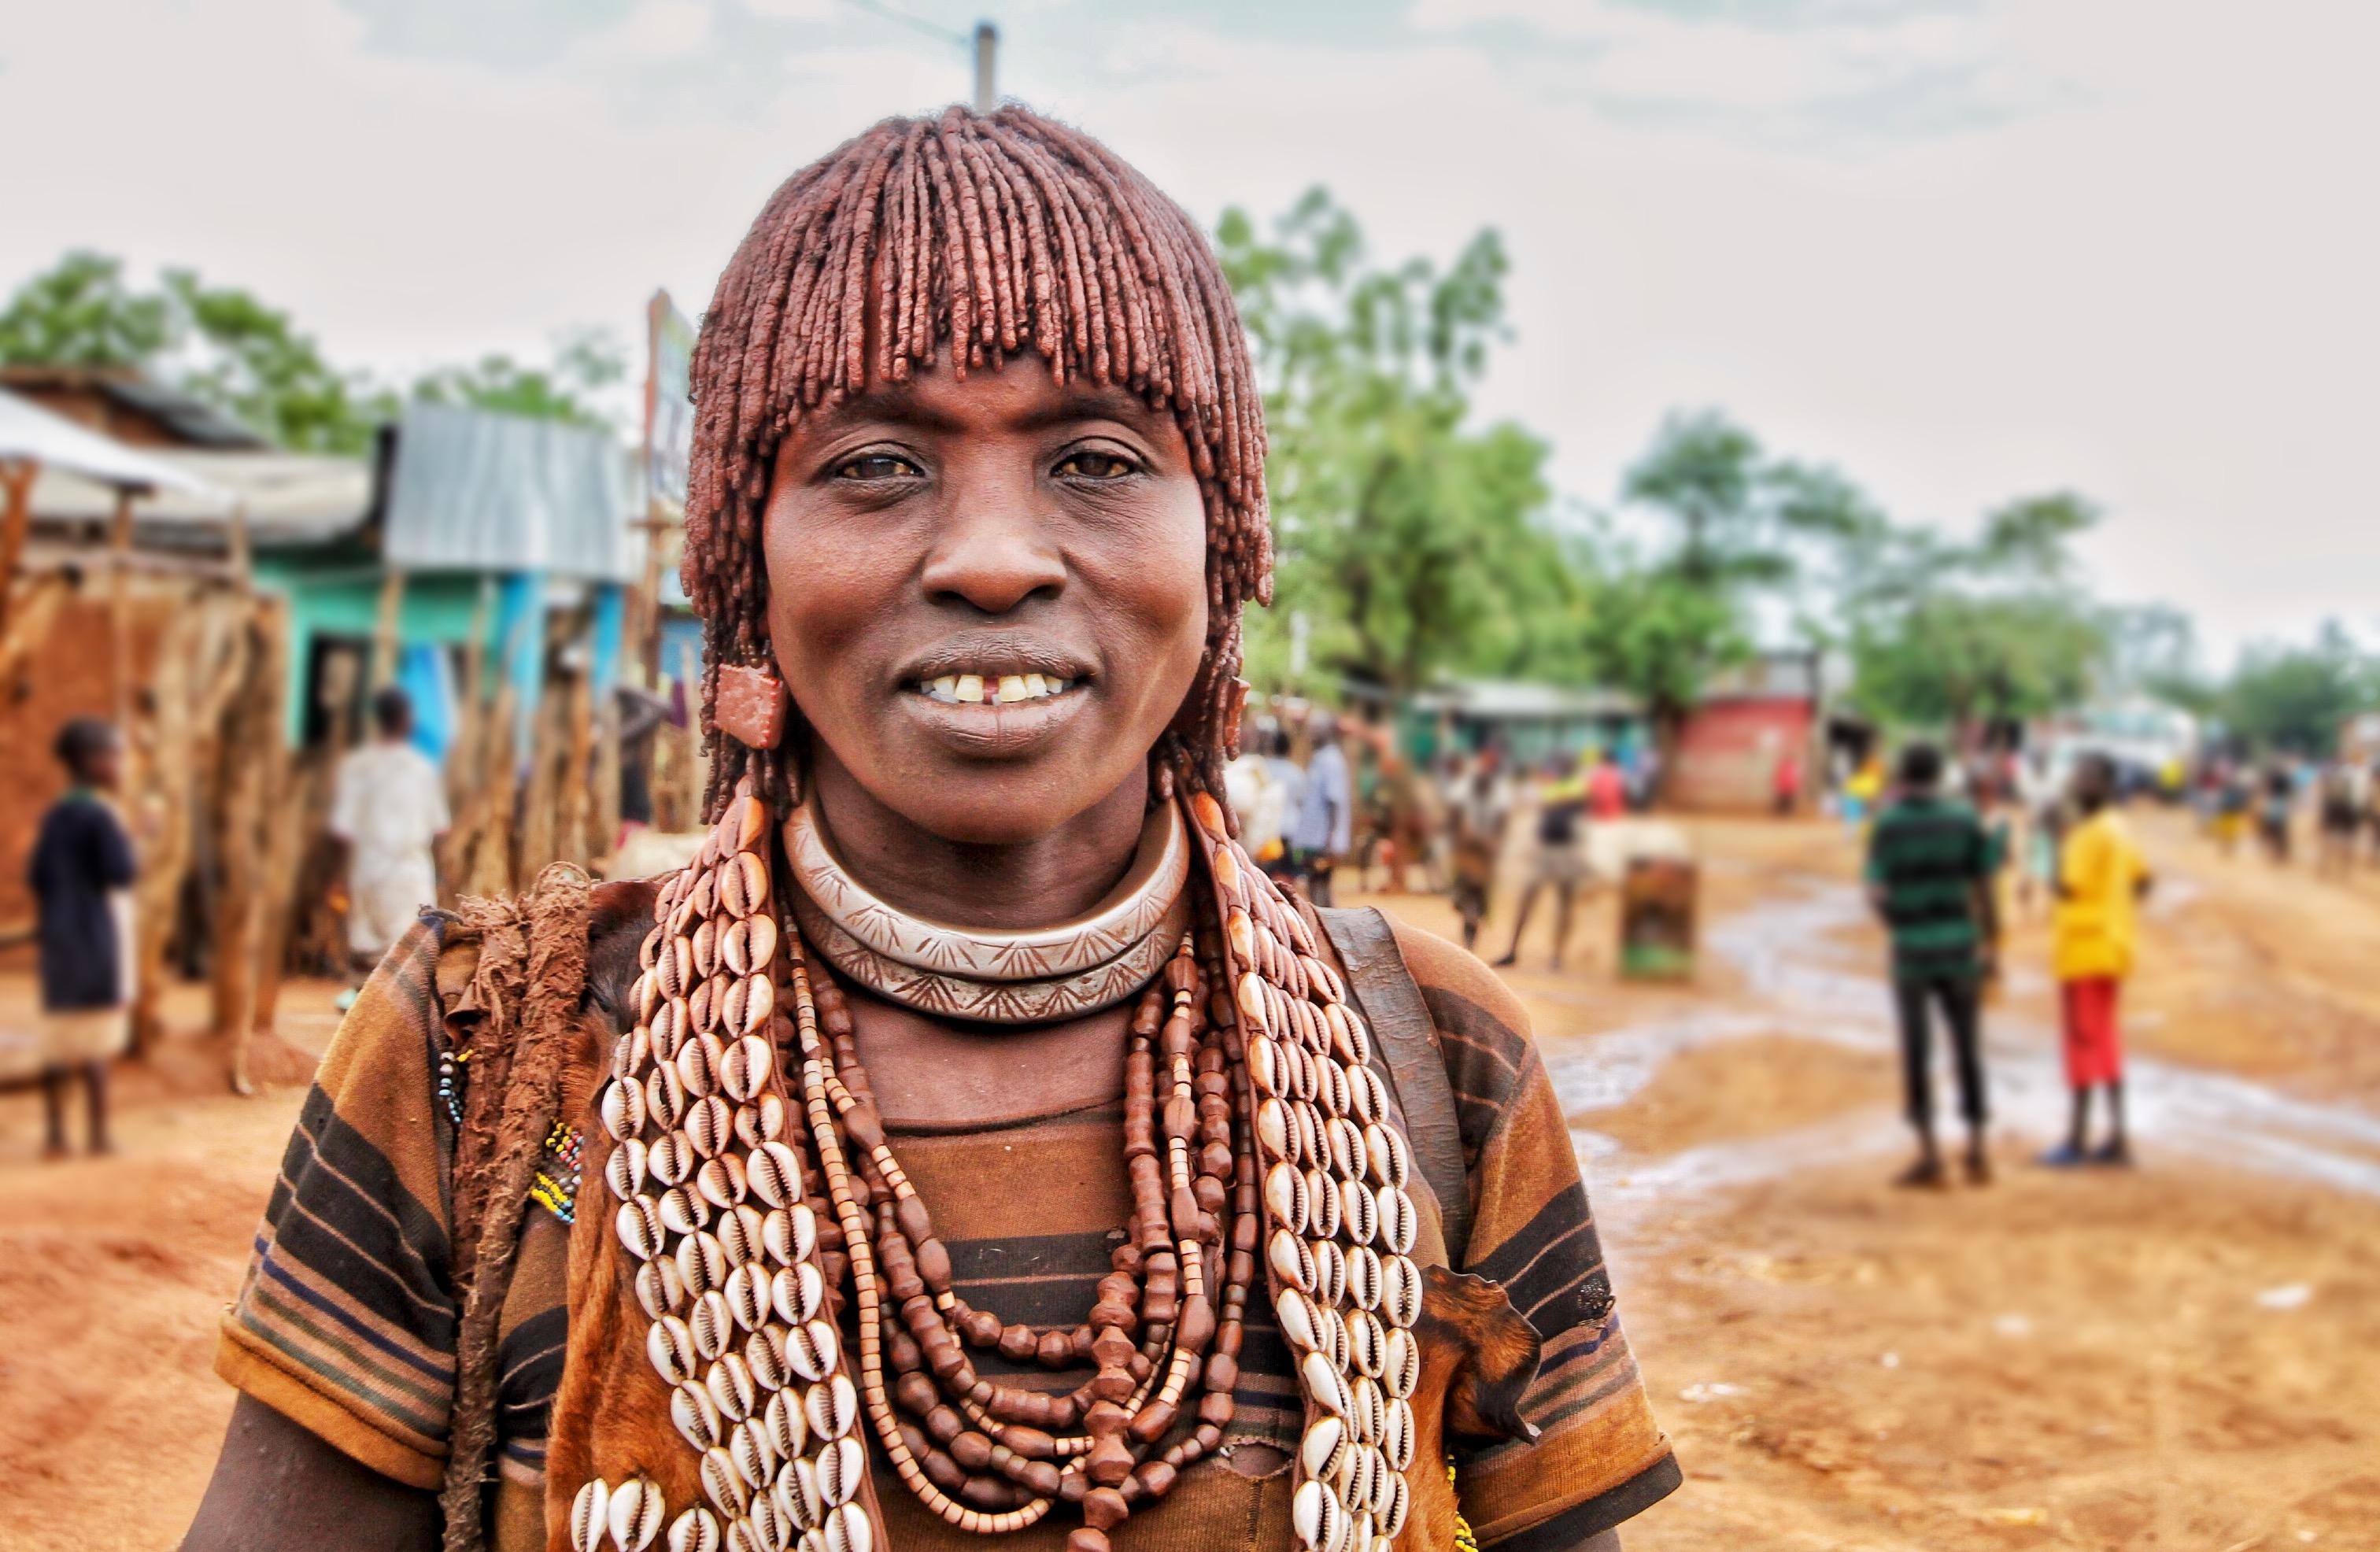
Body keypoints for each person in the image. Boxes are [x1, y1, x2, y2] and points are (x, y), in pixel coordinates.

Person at [183, 106, 1676, 1552]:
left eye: (1094, 458)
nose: (988, 558)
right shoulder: (486, 1043)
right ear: (740, 551)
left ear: (1217, 547)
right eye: (872, 465)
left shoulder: (1426, 1054)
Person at [1864, 743, 1996, 1187]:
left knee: (1917, 1052)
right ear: (1940, 774)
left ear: (1901, 774)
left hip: (1912, 955)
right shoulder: (1963, 818)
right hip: (1960, 947)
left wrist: (1898, 925)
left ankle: (1930, 1155)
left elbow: (1875, 893)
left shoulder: (1889, 825)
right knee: (1968, 1048)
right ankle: (1977, 1150)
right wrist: (1990, 945)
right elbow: (1985, 883)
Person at [28, 717, 137, 1158]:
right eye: (113, 755)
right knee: (94, 1042)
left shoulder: (56, 815)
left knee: (57, 1039)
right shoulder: (101, 816)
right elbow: (120, 872)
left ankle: (55, 1134)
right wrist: (136, 838)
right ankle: (97, 1135)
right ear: (92, 762)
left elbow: (37, 875)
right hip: (93, 938)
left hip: (58, 939)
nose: (119, 764)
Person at [2043, 753, 2153, 1167]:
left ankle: (2077, 1139)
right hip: (2112, 946)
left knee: (2083, 1043)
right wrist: (2117, 912)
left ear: (2107, 784)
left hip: (2083, 948)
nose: (2078, 784)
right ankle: (2117, 1139)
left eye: (2088, 778)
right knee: (2105, 1041)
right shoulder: (2120, 827)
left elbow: (2065, 886)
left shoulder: (2087, 833)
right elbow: (2144, 881)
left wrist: (2055, 838)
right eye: (2077, 775)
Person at [329, 685, 452, 970]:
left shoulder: (357, 766)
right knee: (411, 953)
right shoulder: (422, 769)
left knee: (366, 948)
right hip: (409, 873)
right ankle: (399, 1012)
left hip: (367, 871)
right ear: (405, 720)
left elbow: (344, 832)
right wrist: (441, 875)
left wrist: (338, 879)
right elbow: (440, 830)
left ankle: (363, 1006)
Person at [1495, 752, 1590, 970]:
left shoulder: (1574, 788)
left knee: (1561, 904)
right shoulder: (1558, 787)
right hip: (1551, 849)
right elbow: (1545, 816)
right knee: (1535, 901)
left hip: (1566, 850)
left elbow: (1575, 819)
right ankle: (1516, 950)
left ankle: (1552, 954)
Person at [1286, 710, 1352, 906]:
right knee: (1315, 885)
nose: (1311, 734)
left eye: (1317, 730)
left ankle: (1328, 929)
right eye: (1311, 730)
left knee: (1320, 885)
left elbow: (1335, 801)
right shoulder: (1320, 758)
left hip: (1322, 840)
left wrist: (1330, 839)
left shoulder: (1331, 760)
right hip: (1313, 839)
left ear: (1328, 732)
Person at [1447, 752, 1510, 952]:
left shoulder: (1500, 791)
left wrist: (1493, 841)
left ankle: (1471, 929)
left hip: (1485, 852)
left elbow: (1502, 821)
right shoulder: (1464, 788)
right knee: (1465, 892)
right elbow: (1455, 817)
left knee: (1479, 894)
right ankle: (1470, 927)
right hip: (1467, 850)